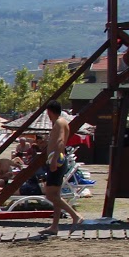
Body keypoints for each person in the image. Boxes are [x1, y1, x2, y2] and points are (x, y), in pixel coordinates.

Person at [40, 101, 84, 237]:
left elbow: (59, 142)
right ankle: (54, 226)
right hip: (59, 159)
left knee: (50, 194)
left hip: (57, 161)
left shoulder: (59, 123)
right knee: (56, 196)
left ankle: (75, 215)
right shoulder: (63, 122)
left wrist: (53, 161)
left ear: (50, 112)